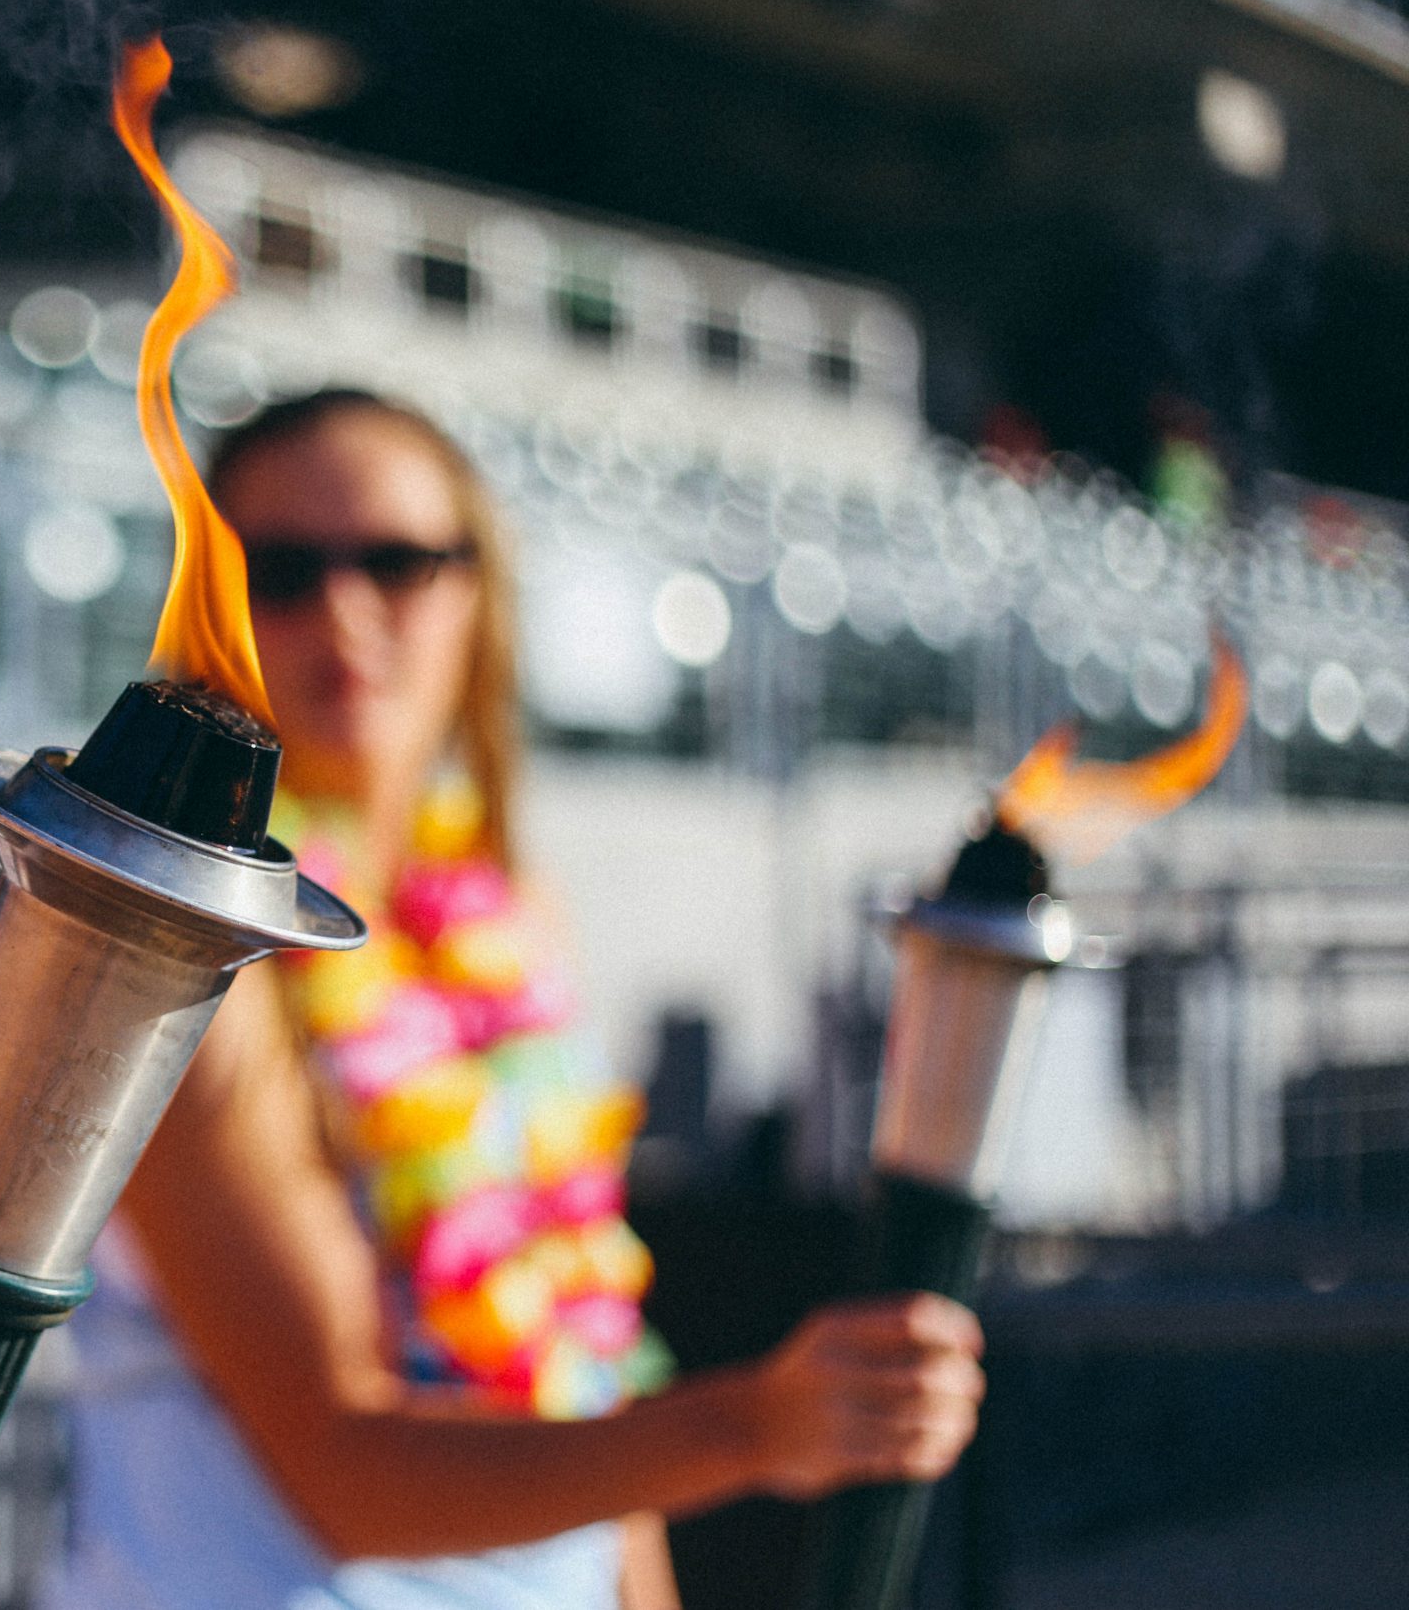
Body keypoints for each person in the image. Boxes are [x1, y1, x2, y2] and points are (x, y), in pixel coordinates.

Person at [48, 391, 987, 1610]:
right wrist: (751, 1428)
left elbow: (573, 1355)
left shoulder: (504, 912)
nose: (343, 611)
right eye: (276, 571)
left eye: (396, 563)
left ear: (477, 593)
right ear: (206, 613)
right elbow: (342, 1468)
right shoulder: (186, 953)